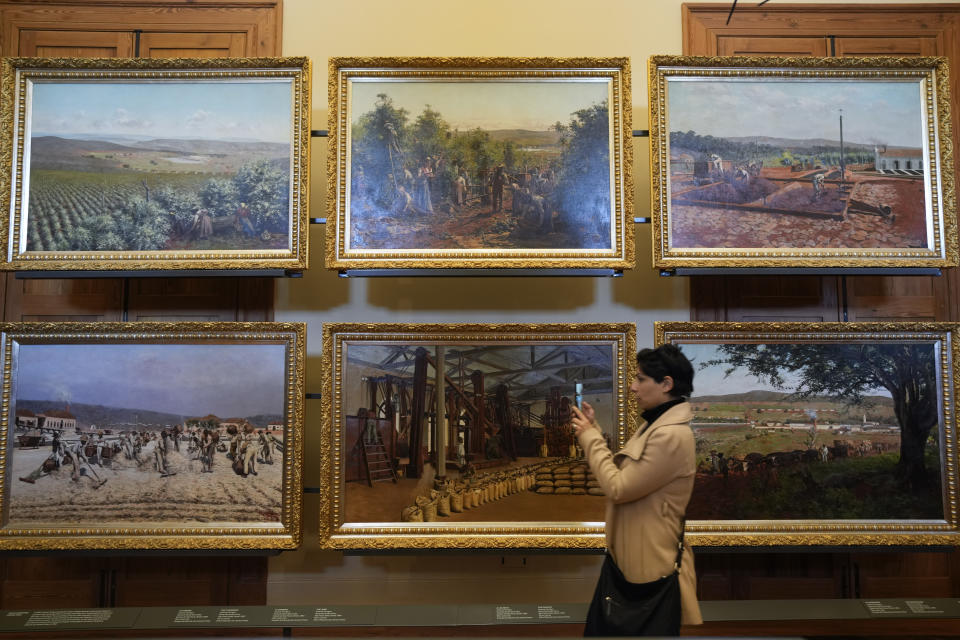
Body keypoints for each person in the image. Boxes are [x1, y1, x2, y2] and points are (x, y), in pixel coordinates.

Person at [571, 344, 702, 633]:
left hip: (648, 570)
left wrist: (590, 438)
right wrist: (593, 430)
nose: (633, 387)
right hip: (632, 564)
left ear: (666, 384)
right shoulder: (655, 426)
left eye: (641, 379)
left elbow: (619, 487)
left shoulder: (670, 435)